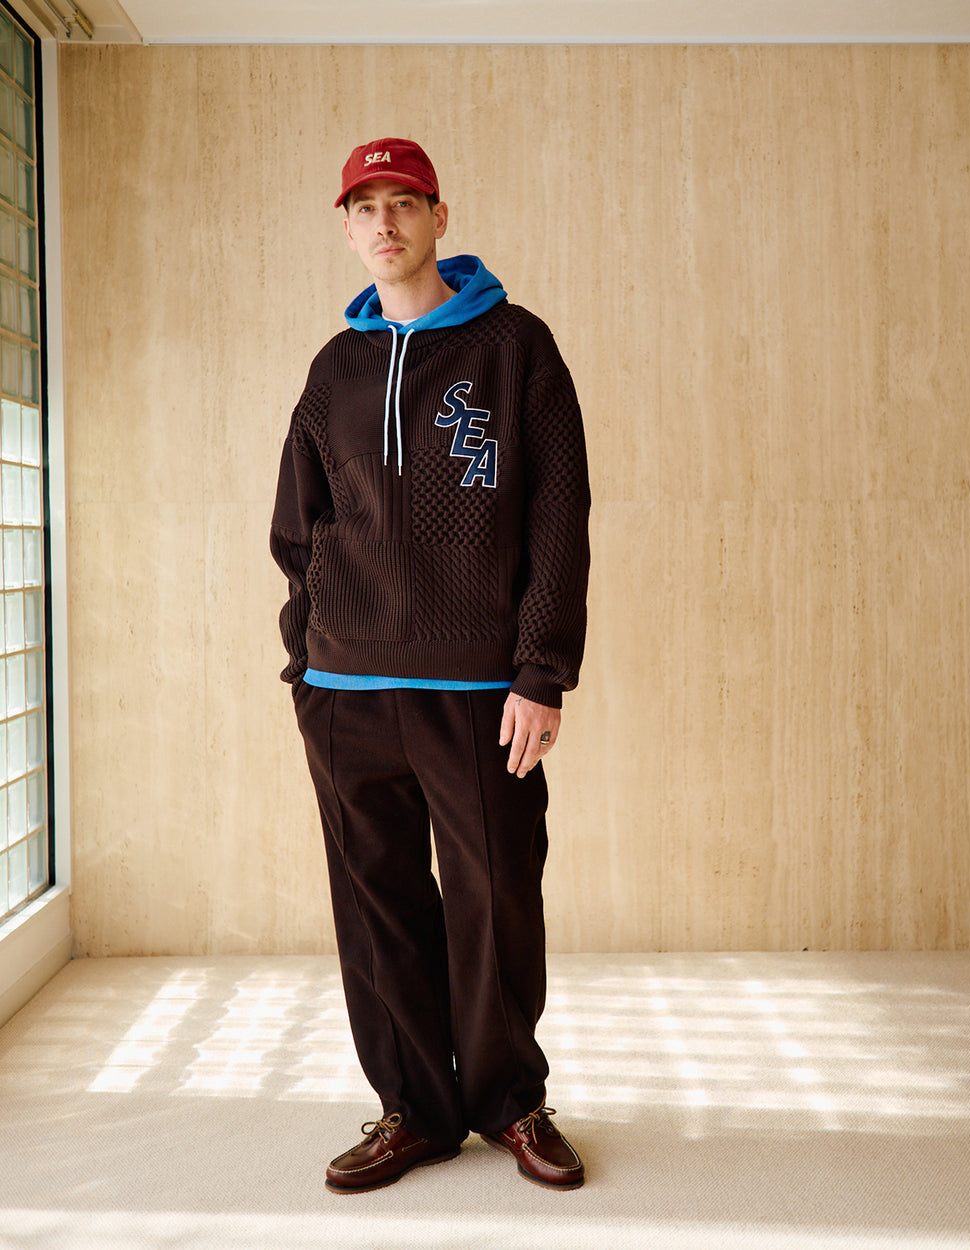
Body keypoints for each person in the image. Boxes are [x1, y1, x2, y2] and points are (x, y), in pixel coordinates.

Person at [270, 137, 590, 1194]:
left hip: (480, 691)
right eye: (364, 206)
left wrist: (540, 669)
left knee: (496, 899)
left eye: (403, 202)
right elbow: (298, 526)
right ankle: (413, 1108)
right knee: (378, 907)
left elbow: (557, 515)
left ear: (439, 217)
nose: (385, 222)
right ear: (347, 228)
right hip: (345, 692)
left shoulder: (516, 346)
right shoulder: (335, 368)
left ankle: (510, 1103)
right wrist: (305, 664)